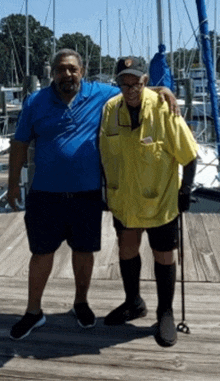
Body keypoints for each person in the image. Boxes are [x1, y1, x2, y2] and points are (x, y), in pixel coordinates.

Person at [7, 49, 179, 341]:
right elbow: (20, 143)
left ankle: (81, 303)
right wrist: (12, 184)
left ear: (82, 71)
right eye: (61, 69)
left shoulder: (101, 95)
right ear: (52, 73)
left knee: (83, 253)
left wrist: (161, 90)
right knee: (41, 255)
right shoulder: (35, 102)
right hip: (45, 194)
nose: (67, 74)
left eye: (73, 69)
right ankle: (33, 311)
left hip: (86, 194)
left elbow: (133, 88)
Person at [100, 56, 198, 347]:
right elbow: (105, 153)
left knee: (164, 256)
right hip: (124, 200)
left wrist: (186, 191)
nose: (130, 89)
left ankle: (165, 312)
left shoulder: (164, 108)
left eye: (137, 83)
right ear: (117, 83)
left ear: (145, 82)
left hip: (160, 201)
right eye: (124, 83)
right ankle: (133, 302)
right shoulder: (109, 109)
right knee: (127, 249)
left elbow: (190, 154)